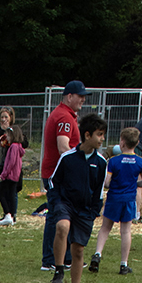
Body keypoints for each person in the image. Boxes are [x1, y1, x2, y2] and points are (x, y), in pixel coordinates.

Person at [49, 113, 108, 283]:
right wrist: (56, 201)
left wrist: (93, 211)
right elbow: (53, 182)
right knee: (62, 227)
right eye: (99, 134)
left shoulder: (101, 163)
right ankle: (59, 271)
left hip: (85, 210)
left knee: (78, 250)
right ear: (87, 135)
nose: (102, 139)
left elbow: (99, 191)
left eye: (103, 134)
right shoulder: (67, 158)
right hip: (65, 203)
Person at [88, 127, 142, 275]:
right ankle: (124, 264)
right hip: (129, 199)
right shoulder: (140, 162)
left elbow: (107, 182)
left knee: (105, 228)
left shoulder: (114, 161)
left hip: (114, 198)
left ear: (122, 142)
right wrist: (134, 184)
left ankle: (97, 254)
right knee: (126, 231)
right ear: (137, 143)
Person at [40, 81, 85, 271]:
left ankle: (65, 257)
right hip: (56, 175)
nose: (83, 99)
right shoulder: (65, 117)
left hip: (56, 173)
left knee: (64, 214)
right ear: (69, 96)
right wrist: (78, 167)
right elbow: (63, 146)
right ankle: (51, 259)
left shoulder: (65, 115)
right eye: (80, 96)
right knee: (56, 216)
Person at [0, 129, 23, 227]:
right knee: (11, 195)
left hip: (9, 176)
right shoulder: (18, 146)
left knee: (1, 195)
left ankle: (8, 214)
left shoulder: (13, 147)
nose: (7, 138)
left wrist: (3, 175)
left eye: (9, 136)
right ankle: (12, 216)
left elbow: (11, 163)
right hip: (14, 175)